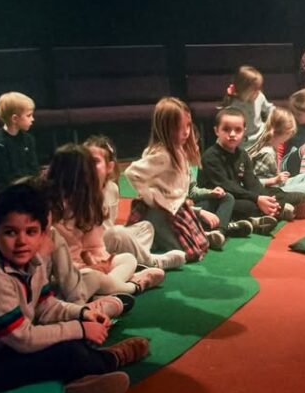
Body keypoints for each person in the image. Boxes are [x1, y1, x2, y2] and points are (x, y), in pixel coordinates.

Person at [0, 181, 150, 393]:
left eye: (31, 231)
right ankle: (110, 359)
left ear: (43, 232)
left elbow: (46, 306)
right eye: (11, 232)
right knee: (68, 351)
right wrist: (80, 328)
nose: (22, 241)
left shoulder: (33, 261)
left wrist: (82, 314)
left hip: (6, 346)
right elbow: (23, 339)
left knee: (70, 339)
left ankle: (77, 383)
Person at [47, 144, 165, 298]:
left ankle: (105, 289)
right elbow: (54, 263)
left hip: (91, 266)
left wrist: (100, 264)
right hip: (67, 273)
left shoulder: (89, 201)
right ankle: (133, 286)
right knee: (91, 278)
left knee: (127, 259)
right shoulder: (48, 206)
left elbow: (95, 246)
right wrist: (88, 269)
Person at [199, 107, 305, 227]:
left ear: (244, 131)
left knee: (275, 194)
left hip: (239, 193)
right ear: (216, 130)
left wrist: (265, 199)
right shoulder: (210, 156)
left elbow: (252, 182)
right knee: (246, 205)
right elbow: (227, 186)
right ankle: (277, 211)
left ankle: (270, 211)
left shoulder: (242, 154)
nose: (232, 134)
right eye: (226, 129)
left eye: (238, 130)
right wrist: (257, 199)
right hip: (219, 199)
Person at [124, 97, 212, 260]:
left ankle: (161, 238)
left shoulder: (177, 149)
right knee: (189, 254)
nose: (186, 132)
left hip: (174, 207)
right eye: (180, 127)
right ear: (166, 129)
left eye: (188, 125)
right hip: (160, 211)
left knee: (198, 245)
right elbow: (133, 173)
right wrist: (150, 199)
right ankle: (154, 238)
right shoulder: (163, 155)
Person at [84, 135, 189, 270]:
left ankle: (133, 254)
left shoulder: (112, 189)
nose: (87, 166)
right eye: (84, 161)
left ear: (109, 167)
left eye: (94, 162)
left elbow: (109, 223)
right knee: (117, 233)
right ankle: (153, 261)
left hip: (109, 242)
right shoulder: (80, 192)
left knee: (146, 227)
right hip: (93, 247)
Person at [246, 107, 305, 208]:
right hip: (272, 191)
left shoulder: (274, 149)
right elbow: (253, 182)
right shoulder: (266, 154)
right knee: (303, 190)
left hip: (279, 186)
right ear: (285, 132)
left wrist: (279, 177)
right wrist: (274, 180)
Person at [0, 92, 39, 196]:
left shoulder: (28, 139)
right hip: (7, 194)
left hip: (26, 189)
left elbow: (33, 168)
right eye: (29, 115)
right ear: (14, 118)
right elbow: (3, 179)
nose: (32, 119)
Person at [222, 65, 273, 151]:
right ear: (243, 89)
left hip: (260, 137)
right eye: (255, 89)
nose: (258, 91)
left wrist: (273, 120)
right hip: (243, 143)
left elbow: (269, 109)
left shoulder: (260, 96)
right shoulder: (234, 105)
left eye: (259, 88)